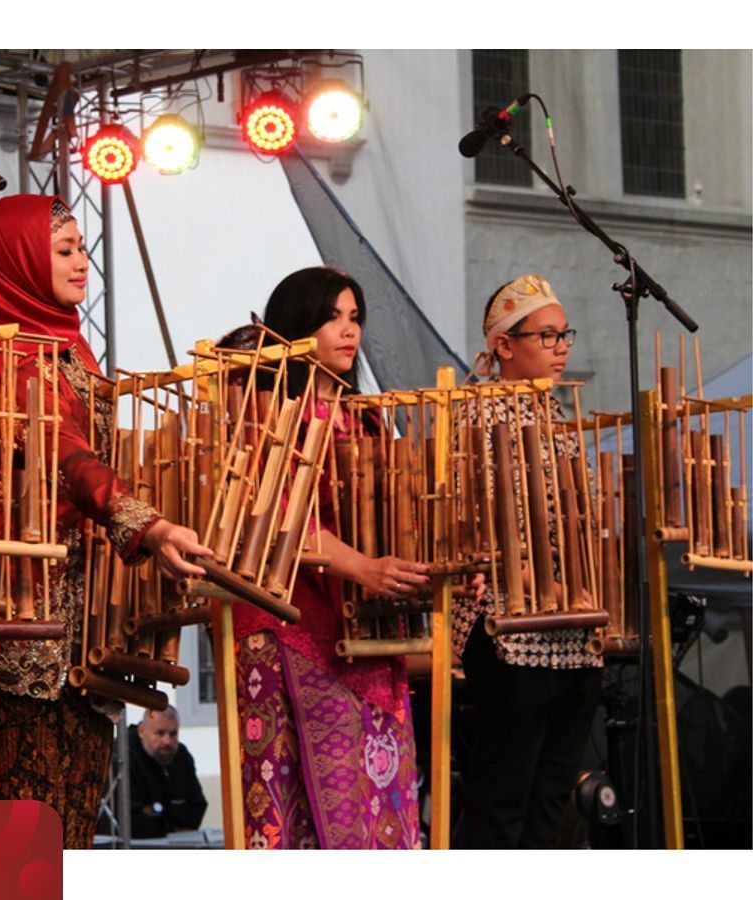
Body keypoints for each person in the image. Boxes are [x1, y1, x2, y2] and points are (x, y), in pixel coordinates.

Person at [0, 194, 210, 848]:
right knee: (23, 831)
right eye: (64, 250)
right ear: (13, 262)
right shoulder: (2, 356)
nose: (81, 264)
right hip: (22, 621)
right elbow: (67, 456)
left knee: (74, 828)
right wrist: (145, 524)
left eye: (82, 249)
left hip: (84, 621)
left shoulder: (71, 351)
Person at [232, 266, 426, 850]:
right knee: (292, 813)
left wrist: (431, 571)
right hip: (290, 624)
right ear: (296, 327)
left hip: (365, 631)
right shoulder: (265, 409)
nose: (348, 330)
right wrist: (363, 567)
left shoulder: (367, 417)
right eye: (331, 317)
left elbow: (396, 518)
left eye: (355, 318)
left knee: (377, 807)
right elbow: (278, 517)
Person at [452, 273, 603, 849]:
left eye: (565, 335)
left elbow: (577, 523)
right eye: (547, 335)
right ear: (503, 344)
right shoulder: (475, 415)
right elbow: (475, 518)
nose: (561, 346)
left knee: (554, 796)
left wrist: (580, 585)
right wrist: (536, 579)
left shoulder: (557, 419)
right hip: (508, 623)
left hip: (567, 623)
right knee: (503, 793)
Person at [127, 706, 208, 839]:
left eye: (173, 734)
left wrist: (156, 810)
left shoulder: (181, 756)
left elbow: (197, 809)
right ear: (141, 731)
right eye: (160, 733)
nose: (167, 741)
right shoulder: (123, 758)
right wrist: (173, 825)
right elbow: (131, 822)